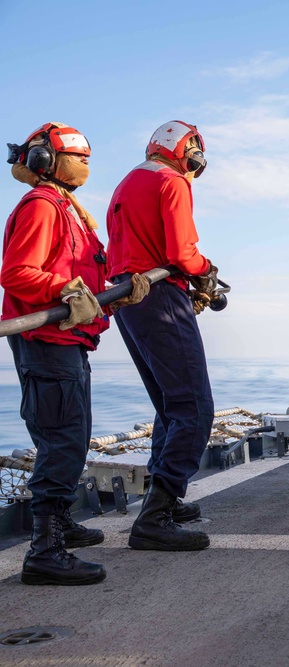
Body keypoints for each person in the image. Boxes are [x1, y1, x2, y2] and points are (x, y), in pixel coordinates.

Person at [2, 123, 112, 585]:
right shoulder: (42, 206)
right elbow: (16, 273)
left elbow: (79, 271)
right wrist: (64, 289)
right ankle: (45, 551)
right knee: (62, 438)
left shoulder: (68, 208)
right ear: (48, 161)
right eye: (77, 156)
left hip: (66, 338)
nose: (86, 163)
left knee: (74, 433)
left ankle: (60, 521)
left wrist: (113, 292)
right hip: (45, 341)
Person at [106, 120, 219, 552]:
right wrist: (207, 270)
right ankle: (156, 515)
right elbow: (182, 254)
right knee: (195, 406)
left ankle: (163, 496)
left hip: (127, 299)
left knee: (170, 405)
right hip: (159, 295)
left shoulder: (128, 181)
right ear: (188, 152)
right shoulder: (171, 182)